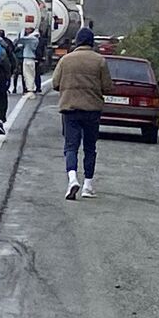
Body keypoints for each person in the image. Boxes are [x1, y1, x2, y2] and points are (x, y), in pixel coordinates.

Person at [51, 27, 112, 200]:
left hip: (70, 108)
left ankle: (72, 179)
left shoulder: (65, 60)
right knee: (90, 148)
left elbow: (55, 83)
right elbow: (107, 86)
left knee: (71, 147)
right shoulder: (100, 61)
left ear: (77, 41)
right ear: (91, 42)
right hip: (92, 110)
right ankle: (88, 185)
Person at [17, 26, 42, 97]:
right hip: (30, 59)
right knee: (29, 75)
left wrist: (22, 31)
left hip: (28, 59)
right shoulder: (35, 39)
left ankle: (30, 91)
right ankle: (30, 90)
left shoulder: (32, 39)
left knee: (28, 75)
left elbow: (20, 39)